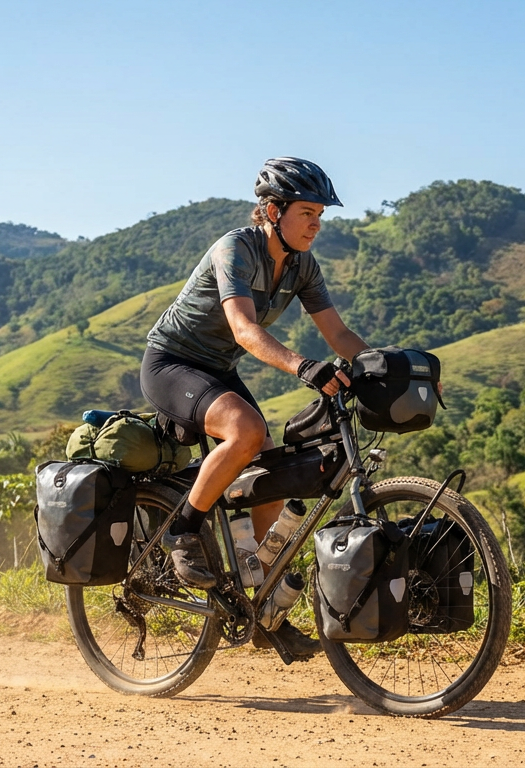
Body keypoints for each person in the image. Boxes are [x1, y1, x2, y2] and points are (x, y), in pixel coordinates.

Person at [139, 157, 370, 659]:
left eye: (320, 215)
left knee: (269, 475)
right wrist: (304, 367)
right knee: (246, 431)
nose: (316, 223)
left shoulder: (302, 265)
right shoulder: (235, 249)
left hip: (216, 369)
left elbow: (339, 334)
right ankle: (182, 532)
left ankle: (260, 605)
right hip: (171, 363)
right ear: (272, 210)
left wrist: (385, 366)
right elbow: (244, 329)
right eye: (307, 212)